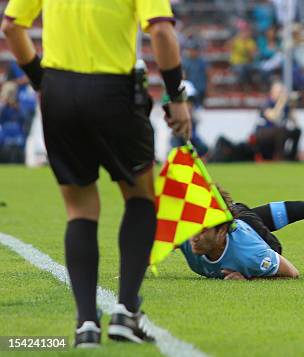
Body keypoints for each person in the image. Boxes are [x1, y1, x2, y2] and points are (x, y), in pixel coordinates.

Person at [2, 0, 191, 347]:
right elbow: (162, 30)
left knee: (80, 210)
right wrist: (176, 95)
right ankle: (127, 312)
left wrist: (40, 80)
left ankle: (85, 323)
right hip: (113, 92)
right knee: (140, 197)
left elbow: (12, 27)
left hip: (58, 92)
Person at [180, 188, 304, 280]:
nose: (194, 236)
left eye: (202, 230)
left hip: (247, 227)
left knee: (253, 222)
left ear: (221, 231)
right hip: (234, 220)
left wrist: (250, 278)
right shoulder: (183, 233)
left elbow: (292, 272)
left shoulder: (251, 254)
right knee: (248, 214)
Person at [254, 81, 301, 161]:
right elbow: (273, 117)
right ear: (272, 92)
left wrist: (292, 106)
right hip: (265, 131)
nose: (281, 94)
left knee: (297, 131)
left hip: (280, 131)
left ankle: (292, 157)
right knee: (280, 130)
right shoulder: (266, 103)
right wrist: (281, 102)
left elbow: (294, 122)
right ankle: (280, 157)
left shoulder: (285, 105)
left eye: (282, 92)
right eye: (279, 92)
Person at [228, 20, 258, 89]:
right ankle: (242, 86)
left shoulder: (251, 42)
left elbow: (253, 55)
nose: (246, 33)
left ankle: (249, 86)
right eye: (244, 31)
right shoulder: (236, 40)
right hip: (236, 63)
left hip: (247, 63)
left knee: (250, 69)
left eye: (247, 31)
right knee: (241, 70)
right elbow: (228, 46)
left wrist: (248, 49)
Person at [182, 37, 209, 108]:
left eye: (194, 50)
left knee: (200, 109)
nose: (192, 52)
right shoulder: (185, 62)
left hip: (201, 89)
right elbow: (183, 76)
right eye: (190, 50)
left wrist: (208, 88)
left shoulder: (202, 62)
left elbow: (208, 74)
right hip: (190, 90)